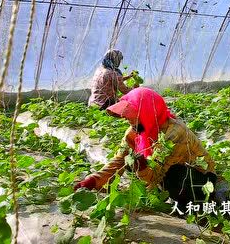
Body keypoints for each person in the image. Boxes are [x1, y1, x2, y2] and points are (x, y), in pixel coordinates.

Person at [75, 87, 217, 207]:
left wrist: (142, 168)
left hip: (200, 178)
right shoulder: (136, 130)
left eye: (131, 114)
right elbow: (119, 160)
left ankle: (195, 207)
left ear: (147, 112)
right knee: (130, 161)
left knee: (175, 177)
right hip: (164, 172)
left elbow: (156, 175)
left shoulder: (174, 133)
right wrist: (93, 180)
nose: (126, 118)